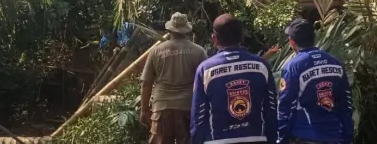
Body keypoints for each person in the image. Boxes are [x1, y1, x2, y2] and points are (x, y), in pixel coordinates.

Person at [191, 14, 277, 144]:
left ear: (214, 38)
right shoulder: (261, 66)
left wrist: (196, 140)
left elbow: (199, 114)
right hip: (256, 138)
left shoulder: (205, 70)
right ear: (241, 36)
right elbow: (271, 108)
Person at [277, 19, 353, 144]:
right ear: (314, 37)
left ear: (292, 42)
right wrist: (348, 135)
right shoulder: (335, 63)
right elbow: (346, 103)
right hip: (334, 136)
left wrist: (281, 138)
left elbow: (285, 105)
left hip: (305, 135)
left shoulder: (293, 67)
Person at [141, 13, 208, 144]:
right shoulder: (198, 51)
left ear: (169, 29)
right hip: (188, 107)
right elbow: (207, 82)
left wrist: (144, 110)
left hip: (162, 107)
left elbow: (146, 83)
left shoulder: (156, 51)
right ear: (187, 30)